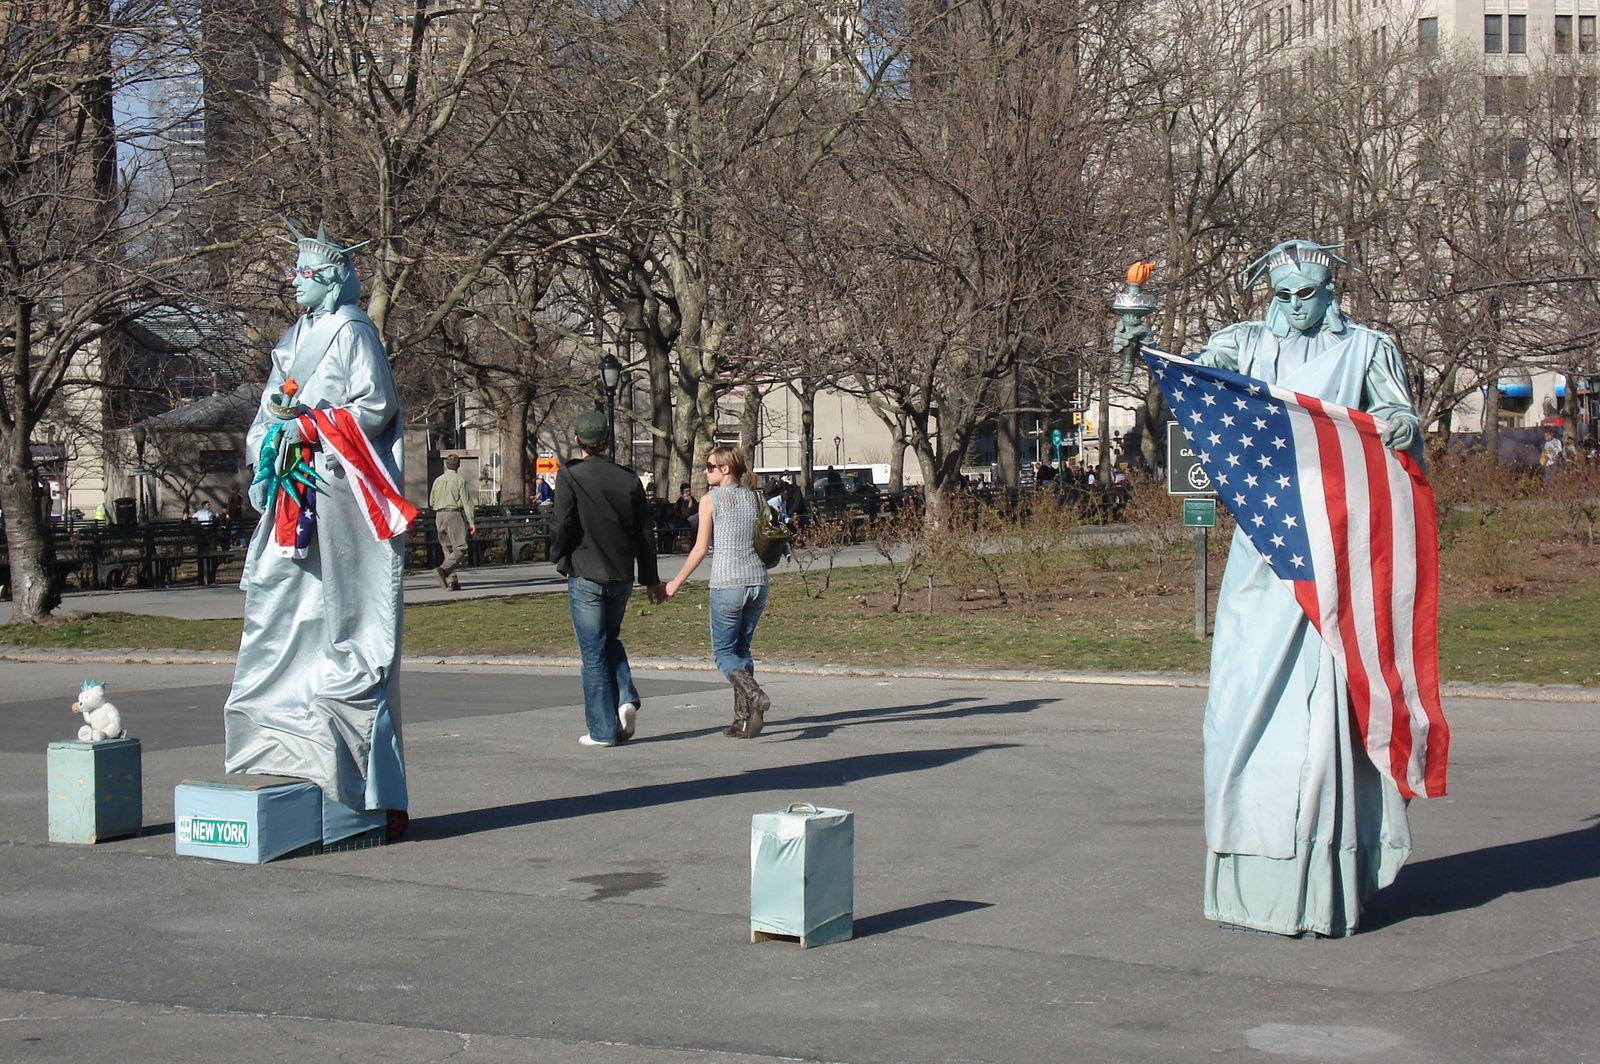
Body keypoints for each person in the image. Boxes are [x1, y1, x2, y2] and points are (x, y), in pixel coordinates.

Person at [1134, 240, 1427, 938]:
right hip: (1261, 551)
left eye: (1309, 294)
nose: (1295, 307)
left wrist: (1398, 424)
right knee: (1239, 710)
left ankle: (1318, 883)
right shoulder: (1241, 342)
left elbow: (1401, 419)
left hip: (1335, 552)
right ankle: (1249, 874)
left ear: (1330, 292)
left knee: (1325, 727)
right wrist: (1140, 346)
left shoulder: (1367, 349)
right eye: (1284, 294)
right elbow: (1194, 386)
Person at [225, 221, 416, 837]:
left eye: (304, 275)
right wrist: (271, 436)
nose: (294, 284)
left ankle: (360, 772)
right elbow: (266, 412)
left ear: (331, 279)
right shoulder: (292, 337)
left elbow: (376, 406)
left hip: (337, 488)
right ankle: (284, 739)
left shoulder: (354, 330)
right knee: (281, 606)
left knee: (344, 617)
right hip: (291, 489)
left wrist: (309, 427)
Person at [551, 410, 667, 747]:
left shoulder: (570, 476)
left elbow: (563, 523)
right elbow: (645, 533)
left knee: (592, 653)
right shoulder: (628, 479)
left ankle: (602, 730)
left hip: (585, 569)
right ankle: (625, 697)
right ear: (607, 441)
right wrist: (650, 578)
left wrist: (558, 555)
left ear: (578, 441)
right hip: (620, 574)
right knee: (609, 639)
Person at [663, 445, 772, 738]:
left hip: (728, 584)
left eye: (710, 466)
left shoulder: (710, 500)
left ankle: (755, 694)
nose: (705, 471)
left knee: (724, 652)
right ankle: (742, 719)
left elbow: (700, 548)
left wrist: (674, 583)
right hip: (757, 582)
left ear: (725, 469)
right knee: (742, 651)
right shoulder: (756, 497)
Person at [430, 454, 476, 590]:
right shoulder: (459, 480)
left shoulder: (437, 480)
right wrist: (471, 521)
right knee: (461, 546)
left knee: (447, 547)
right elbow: (467, 503)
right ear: (459, 465)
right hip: (453, 514)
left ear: (446, 464)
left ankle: (452, 580)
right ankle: (443, 570)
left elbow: (431, 501)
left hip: (439, 515)